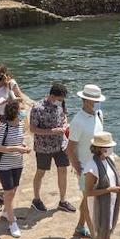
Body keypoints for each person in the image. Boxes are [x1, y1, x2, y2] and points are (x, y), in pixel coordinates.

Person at [67, 84, 106, 239]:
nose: (96, 102)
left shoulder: (99, 114)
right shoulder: (78, 121)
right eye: (93, 100)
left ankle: (80, 226)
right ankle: (94, 236)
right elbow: (70, 148)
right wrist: (78, 168)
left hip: (98, 164)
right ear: (85, 100)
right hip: (86, 168)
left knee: (88, 198)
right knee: (91, 201)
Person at [30, 82, 74, 213]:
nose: (61, 102)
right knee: (41, 172)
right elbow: (32, 129)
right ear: (53, 96)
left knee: (63, 170)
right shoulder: (37, 108)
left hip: (60, 145)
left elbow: (64, 118)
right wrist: (53, 131)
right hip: (43, 147)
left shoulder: (60, 107)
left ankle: (63, 200)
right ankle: (36, 199)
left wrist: (65, 125)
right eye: (60, 99)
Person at [0, 100, 32, 237]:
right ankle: (12, 222)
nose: (23, 111)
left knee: (13, 190)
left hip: (17, 163)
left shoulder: (20, 125)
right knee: (8, 192)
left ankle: (6, 211)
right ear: (14, 111)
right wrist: (17, 148)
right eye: (21, 109)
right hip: (5, 165)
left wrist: (24, 147)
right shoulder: (4, 127)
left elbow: (18, 141)